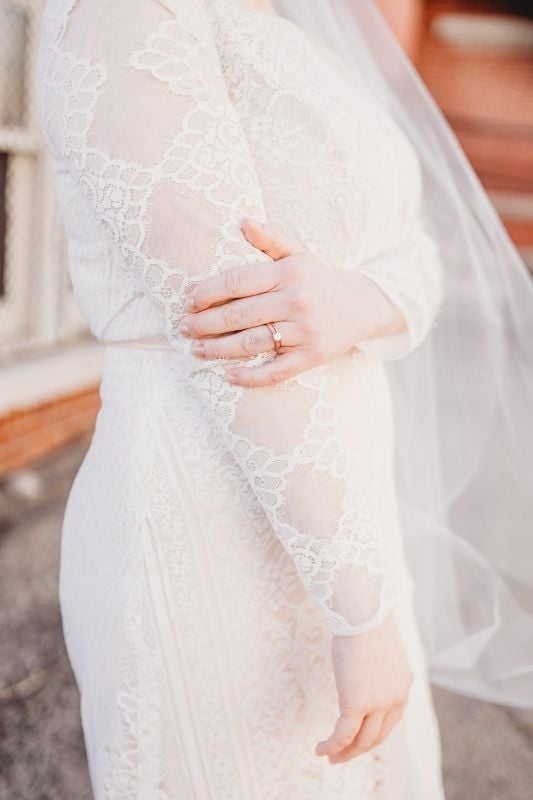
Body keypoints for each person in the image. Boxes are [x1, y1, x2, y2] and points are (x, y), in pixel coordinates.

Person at [34, 0, 448, 796]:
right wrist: (360, 609)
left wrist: (363, 298)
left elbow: (419, 247)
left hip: (350, 513)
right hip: (205, 510)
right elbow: (232, 329)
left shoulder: (293, 31)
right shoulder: (122, 13)